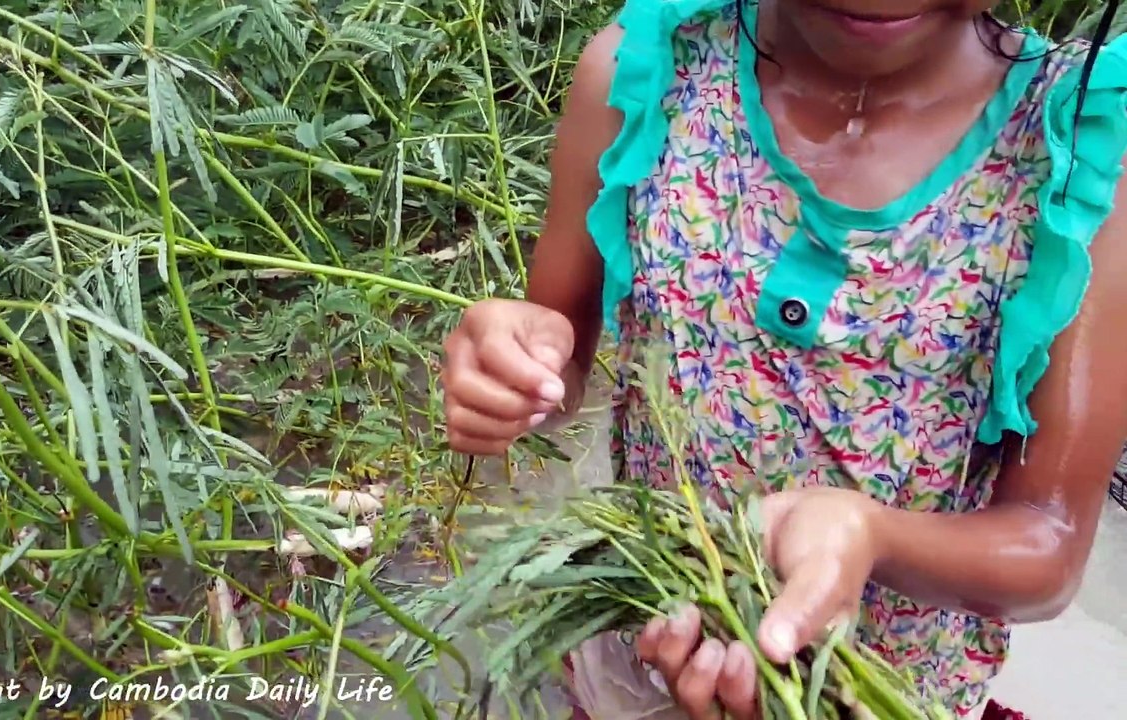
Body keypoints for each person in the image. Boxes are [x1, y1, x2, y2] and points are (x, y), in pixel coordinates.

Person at [438, 0, 1127, 718]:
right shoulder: (643, 71)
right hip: (647, 639)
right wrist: (518, 372)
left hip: (881, 692)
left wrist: (872, 534)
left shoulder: (1083, 150)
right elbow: (562, 352)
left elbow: (1047, 548)